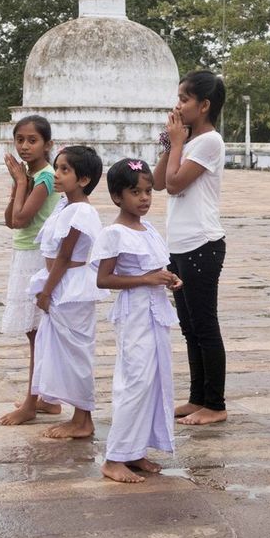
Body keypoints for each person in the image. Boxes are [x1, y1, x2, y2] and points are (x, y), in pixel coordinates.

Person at [93, 159, 183, 483]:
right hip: (134, 314)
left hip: (155, 312)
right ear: (118, 197)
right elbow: (104, 280)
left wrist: (168, 279)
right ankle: (114, 457)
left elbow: (155, 269)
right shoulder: (114, 233)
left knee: (154, 380)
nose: (144, 198)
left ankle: (136, 449)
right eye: (135, 192)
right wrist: (146, 280)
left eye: (147, 191)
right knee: (135, 381)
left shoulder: (149, 229)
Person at [154, 70, 228, 426]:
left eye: (185, 99)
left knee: (205, 325)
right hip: (179, 244)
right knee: (189, 327)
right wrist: (169, 144)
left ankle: (215, 403)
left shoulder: (210, 142)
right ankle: (197, 397)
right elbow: (155, 181)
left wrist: (178, 144)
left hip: (203, 243)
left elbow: (174, 184)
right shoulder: (186, 142)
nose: (178, 105)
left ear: (204, 105)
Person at [28, 145, 106, 439]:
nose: (57, 175)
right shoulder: (65, 206)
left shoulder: (82, 212)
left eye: (65, 170)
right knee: (62, 351)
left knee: (76, 353)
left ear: (83, 179)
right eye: (57, 167)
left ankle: (83, 419)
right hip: (60, 284)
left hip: (69, 287)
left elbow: (64, 255)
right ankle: (68, 408)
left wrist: (47, 291)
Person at [0, 115, 63, 426]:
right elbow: (10, 220)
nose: (24, 146)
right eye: (19, 140)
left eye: (32, 140)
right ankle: (46, 399)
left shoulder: (46, 177)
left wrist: (22, 183)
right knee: (34, 332)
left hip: (38, 257)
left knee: (36, 333)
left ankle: (31, 401)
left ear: (47, 145)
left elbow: (23, 219)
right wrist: (17, 184)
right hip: (24, 253)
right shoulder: (30, 175)